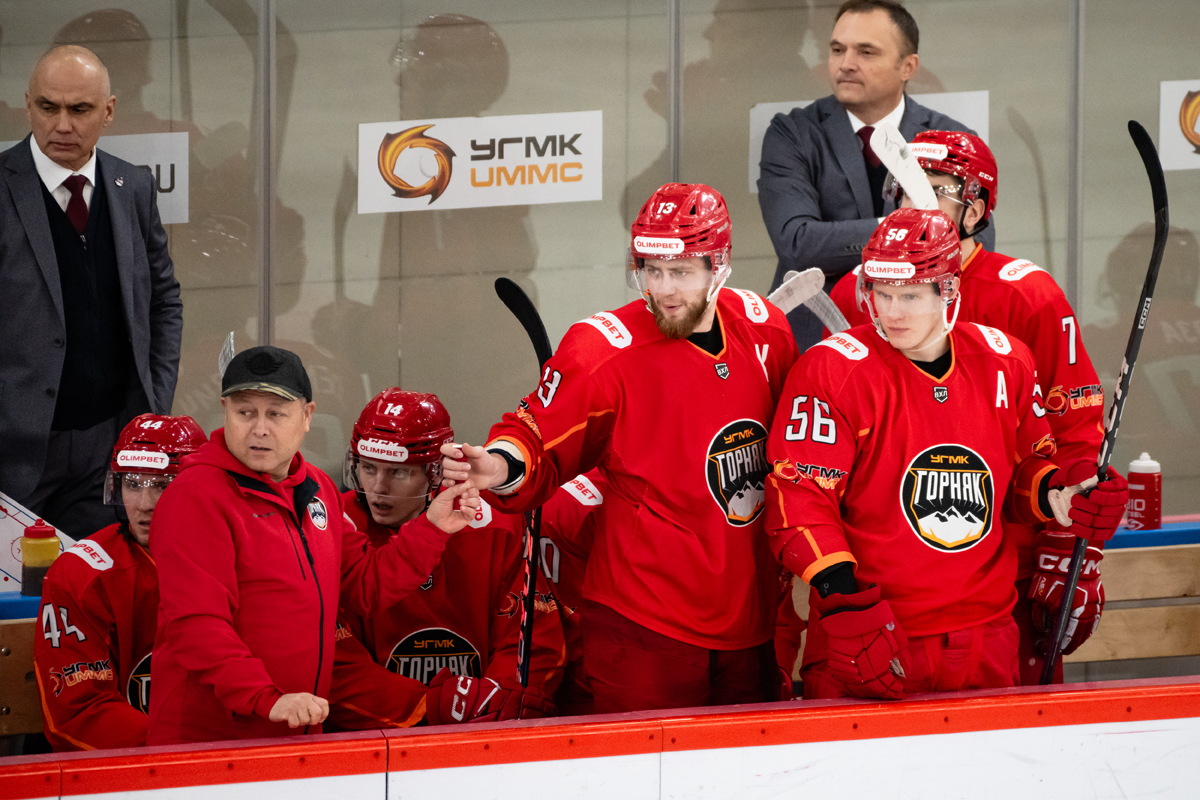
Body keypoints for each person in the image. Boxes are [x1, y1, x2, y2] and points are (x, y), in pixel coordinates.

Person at [442, 183, 799, 713]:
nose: (664, 289)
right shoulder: (604, 348)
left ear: (719, 265)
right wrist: (499, 464)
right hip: (644, 622)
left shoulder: (766, 329)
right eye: (651, 270)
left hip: (751, 615)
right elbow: (535, 431)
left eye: (681, 272)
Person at [765, 208, 1127, 699]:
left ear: (948, 291)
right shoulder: (832, 370)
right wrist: (842, 595)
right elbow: (800, 495)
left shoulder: (1005, 361)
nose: (891, 313)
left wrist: (1057, 495)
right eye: (882, 294)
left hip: (988, 633)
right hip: (875, 630)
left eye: (910, 296)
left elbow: (1021, 474)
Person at [828, 131, 1109, 681]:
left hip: (1010, 579)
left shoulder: (1026, 295)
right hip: (888, 584)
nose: (913, 203)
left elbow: (1074, 429)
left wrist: (1070, 549)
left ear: (976, 210)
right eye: (903, 190)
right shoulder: (859, 291)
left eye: (934, 190)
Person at [147, 346, 481, 745]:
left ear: (307, 416)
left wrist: (432, 527)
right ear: (225, 411)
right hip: (211, 742)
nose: (259, 428)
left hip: (294, 731)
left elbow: (364, 584)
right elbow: (197, 625)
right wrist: (264, 698)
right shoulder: (195, 497)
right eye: (245, 412)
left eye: (276, 413)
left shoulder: (316, 488)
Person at [0, 45, 182, 539]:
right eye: (47, 107)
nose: (62, 125)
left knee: (101, 581)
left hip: (110, 450)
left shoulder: (134, 187)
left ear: (108, 111)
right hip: (15, 456)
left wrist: (151, 408)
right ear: (28, 105)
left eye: (79, 109)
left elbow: (163, 302)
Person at [757, 0, 992, 351]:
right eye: (838, 50)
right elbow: (797, 243)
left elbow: (972, 244)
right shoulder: (792, 133)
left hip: (924, 344)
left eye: (866, 52)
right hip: (816, 340)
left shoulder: (953, 141)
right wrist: (905, 226)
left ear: (908, 66)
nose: (846, 64)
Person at [325, 389, 563, 729]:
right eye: (368, 468)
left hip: (482, 736)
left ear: (434, 472)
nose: (377, 487)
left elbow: (533, 639)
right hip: (376, 744)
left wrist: (491, 704)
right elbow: (332, 663)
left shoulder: (494, 529)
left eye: (398, 473)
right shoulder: (331, 527)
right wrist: (430, 707)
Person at [33, 413, 205, 751]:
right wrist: (182, 753)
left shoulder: (238, 555)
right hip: (134, 767)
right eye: (133, 484)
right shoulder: (81, 574)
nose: (143, 505)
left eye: (163, 485)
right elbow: (80, 711)